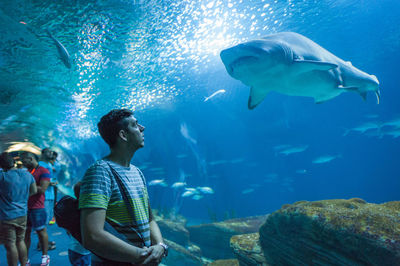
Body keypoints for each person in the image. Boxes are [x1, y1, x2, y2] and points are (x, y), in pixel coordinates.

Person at [79, 109, 168, 265]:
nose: (142, 128)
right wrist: (141, 255)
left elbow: (149, 218)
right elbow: (92, 235)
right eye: (135, 125)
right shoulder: (100, 172)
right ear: (123, 135)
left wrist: (160, 245)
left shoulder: (137, 172)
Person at [0, 152, 37, 266]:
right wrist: (22, 199)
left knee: (10, 244)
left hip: (7, 216)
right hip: (22, 214)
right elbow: (34, 191)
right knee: (20, 241)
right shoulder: (27, 175)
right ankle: (25, 263)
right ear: (14, 162)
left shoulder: (2, 177)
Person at [20, 152, 51, 266]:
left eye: (24, 161)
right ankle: (25, 259)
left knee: (41, 231)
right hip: (24, 207)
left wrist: (23, 186)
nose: (23, 164)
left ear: (30, 158)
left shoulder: (43, 171)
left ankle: (45, 256)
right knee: (25, 234)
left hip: (37, 207)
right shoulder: (26, 172)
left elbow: (42, 189)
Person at [38, 148, 57, 250]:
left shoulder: (49, 165)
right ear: (43, 153)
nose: (51, 153)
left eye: (51, 152)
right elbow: (38, 180)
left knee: (48, 219)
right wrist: (50, 183)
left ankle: (44, 241)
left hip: (50, 195)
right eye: (48, 152)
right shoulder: (40, 165)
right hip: (43, 196)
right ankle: (41, 244)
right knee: (43, 221)